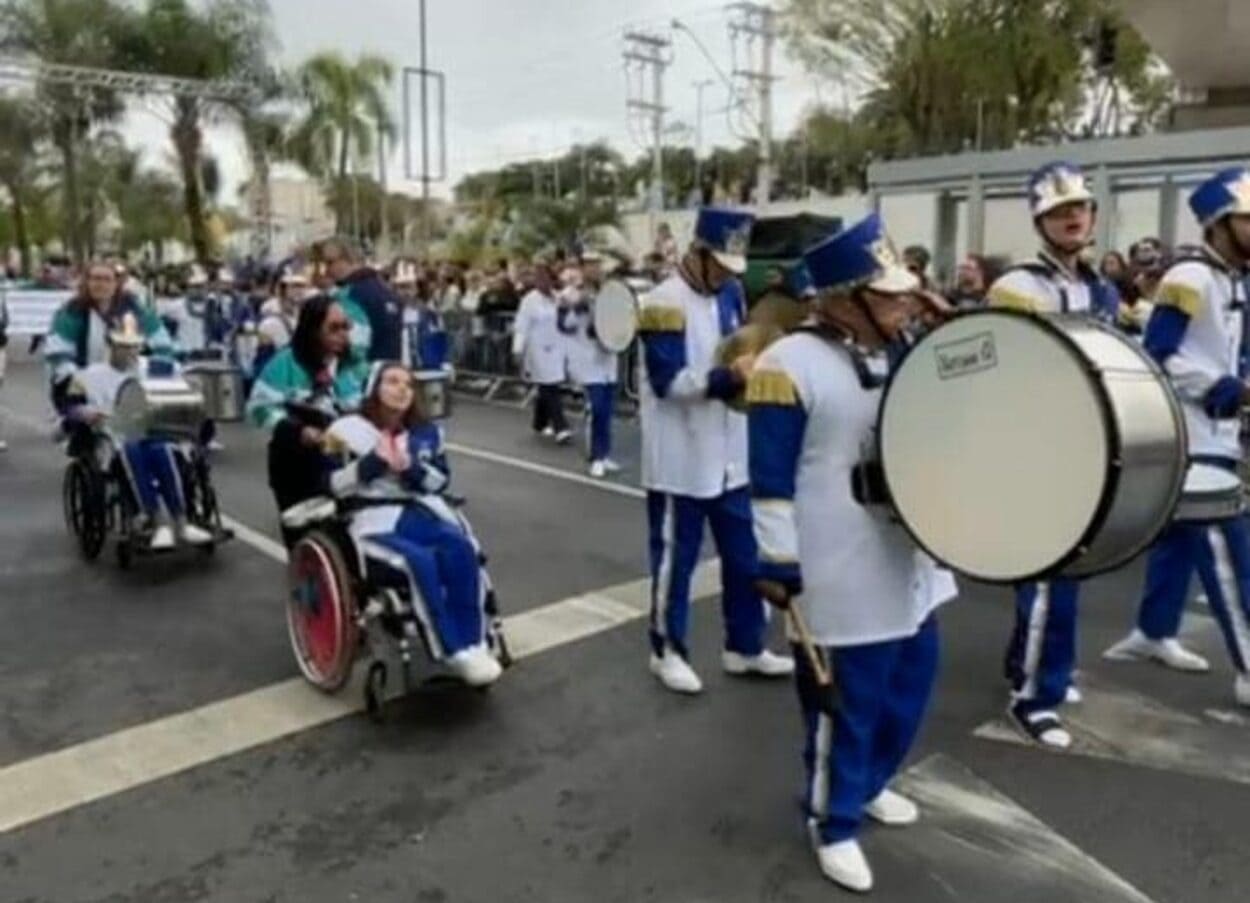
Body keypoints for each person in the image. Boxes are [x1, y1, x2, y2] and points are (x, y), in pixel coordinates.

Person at [748, 212, 955, 893]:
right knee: (846, 704)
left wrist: (940, 320)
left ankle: (869, 783)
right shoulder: (786, 363)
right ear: (842, 297)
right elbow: (771, 478)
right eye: (890, 293)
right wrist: (778, 561)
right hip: (838, 566)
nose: (904, 303)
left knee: (911, 682)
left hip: (909, 555)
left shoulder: (904, 350)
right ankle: (832, 819)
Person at [987, 161, 1121, 749]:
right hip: (1035, 441)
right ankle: (1032, 698)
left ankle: (1038, 670)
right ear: (1040, 220)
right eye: (1060, 211)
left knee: (1069, 569)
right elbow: (1011, 367)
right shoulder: (1017, 287)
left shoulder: (1099, 286)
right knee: (1048, 573)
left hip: (1085, 440)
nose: (1073, 218)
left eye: (1081, 208)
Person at [1104, 167, 1250, 700]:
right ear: (1219, 223)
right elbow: (1159, 356)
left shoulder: (1235, 278)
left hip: (1218, 430)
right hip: (1191, 432)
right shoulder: (1188, 278)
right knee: (1231, 551)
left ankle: (1153, 631)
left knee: (1178, 543)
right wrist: (1225, 386)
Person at [637, 206, 794, 693]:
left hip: (731, 452)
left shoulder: (728, 293)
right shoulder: (662, 302)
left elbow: (738, 346)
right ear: (698, 253)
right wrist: (732, 376)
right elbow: (669, 382)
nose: (729, 273)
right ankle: (666, 650)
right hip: (680, 458)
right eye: (722, 263)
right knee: (675, 564)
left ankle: (745, 646)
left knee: (746, 558)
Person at [322, 361, 501, 686]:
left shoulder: (427, 433)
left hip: (417, 510)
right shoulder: (344, 429)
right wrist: (374, 463)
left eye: (407, 383)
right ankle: (451, 649)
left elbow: (441, 482)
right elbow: (330, 483)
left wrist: (411, 469)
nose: (402, 388)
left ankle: (475, 643)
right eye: (392, 381)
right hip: (370, 519)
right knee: (417, 561)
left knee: (460, 546)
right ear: (374, 388)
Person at [57, 314, 213, 550]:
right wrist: (86, 413)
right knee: (133, 450)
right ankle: (156, 521)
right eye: (122, 347)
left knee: (160, 449)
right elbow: (71, 407)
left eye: (133, 347)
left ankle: (181, 522)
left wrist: (194, 388)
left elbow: (187, 383)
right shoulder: (87, 376)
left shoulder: (156, 367)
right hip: (111, 439)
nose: (129, 352)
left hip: (156, 432)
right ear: (110, 344)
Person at [247, 295, 367, 542]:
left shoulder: (354, 365)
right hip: (295, 465)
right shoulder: (285, 363)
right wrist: (299, 431)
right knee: (304, 541)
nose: (342, 335)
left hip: (345, 462)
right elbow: (259, 408)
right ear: (312, 330)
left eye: (346, 327)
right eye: (333, 328)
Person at [44, 260, 175, 393]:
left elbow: (162, 344)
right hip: (83, 384)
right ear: (86, 282)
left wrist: (154, 372)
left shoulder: (136, 309)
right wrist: (78, 380)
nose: (101, 285)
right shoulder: (72, 311)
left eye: (107, 279)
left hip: (130, 384)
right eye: (95, 279)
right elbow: (58, 353)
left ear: (117, 283)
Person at [557, 258, 620, 477]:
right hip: (588, 362)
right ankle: (595, 456)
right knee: (596, 409)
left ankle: (605, 452)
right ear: (583, 269)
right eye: (590, 264)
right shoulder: (571, 295)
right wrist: (577, 308)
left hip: (609, 360)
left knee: (607, 411)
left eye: (598, 264)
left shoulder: (611, 294)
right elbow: (564, 325)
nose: (596, 269)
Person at [317, 236, 404, 363]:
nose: (327, 270)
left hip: (362, 374)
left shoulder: (349, 296)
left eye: (330, 262)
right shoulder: (387, 291)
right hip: (389, 370)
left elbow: (353, 347)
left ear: (348, 259)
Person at [513, 263, 571, 443]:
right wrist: (517, 349)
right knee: (549, 386)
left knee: (548, 386)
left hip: (556, 348)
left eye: (546, 278)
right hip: (537, 350)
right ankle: (561, 427)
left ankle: (539, 422)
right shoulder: (530, 300)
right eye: (539, 279)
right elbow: (521, 326)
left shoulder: (557, 298)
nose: (542, 282)